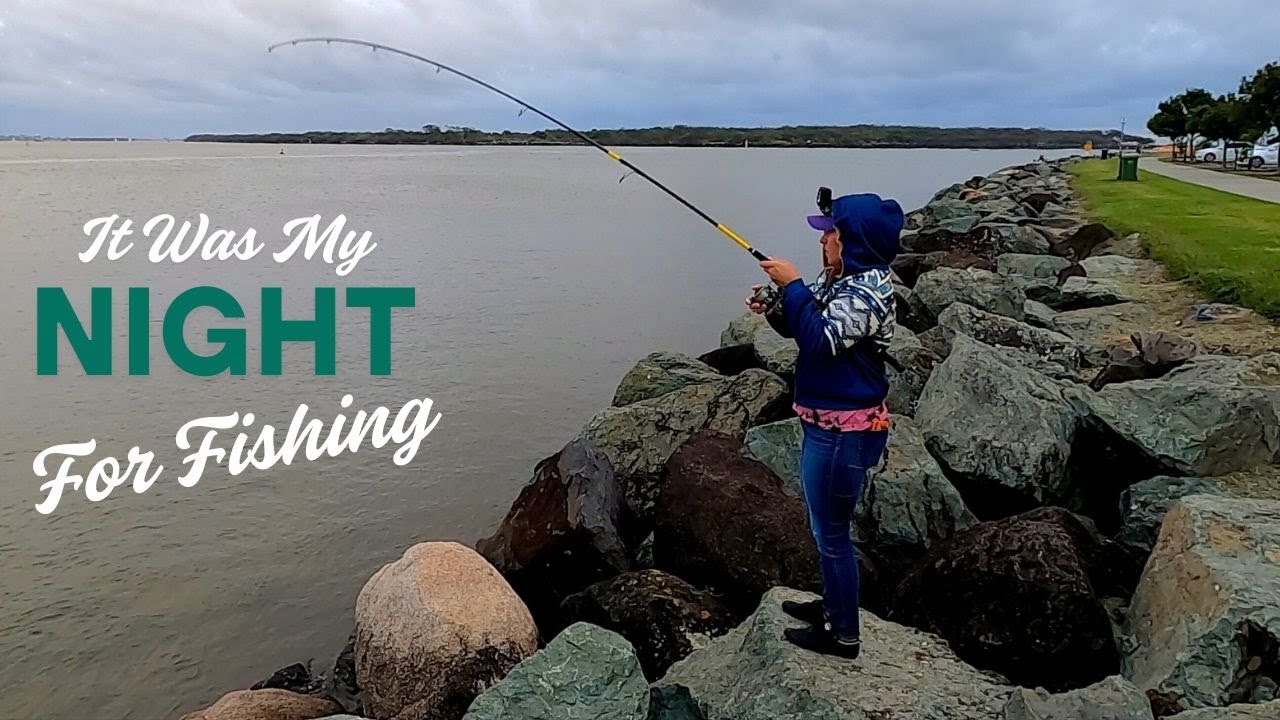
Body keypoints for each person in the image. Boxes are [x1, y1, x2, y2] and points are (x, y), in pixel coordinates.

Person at [746, 191, 902, 659]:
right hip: (823, 426)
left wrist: (793, 287)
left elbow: (821, 341)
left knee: (833, 536)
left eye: (831, 233)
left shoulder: (868, 291)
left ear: (853, 240)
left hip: (845, 434)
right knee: (823, 530)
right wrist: (777, 304)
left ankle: (843, 636)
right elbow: (802, 326)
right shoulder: (840, 280)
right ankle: (833, 608)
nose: (824, 241)